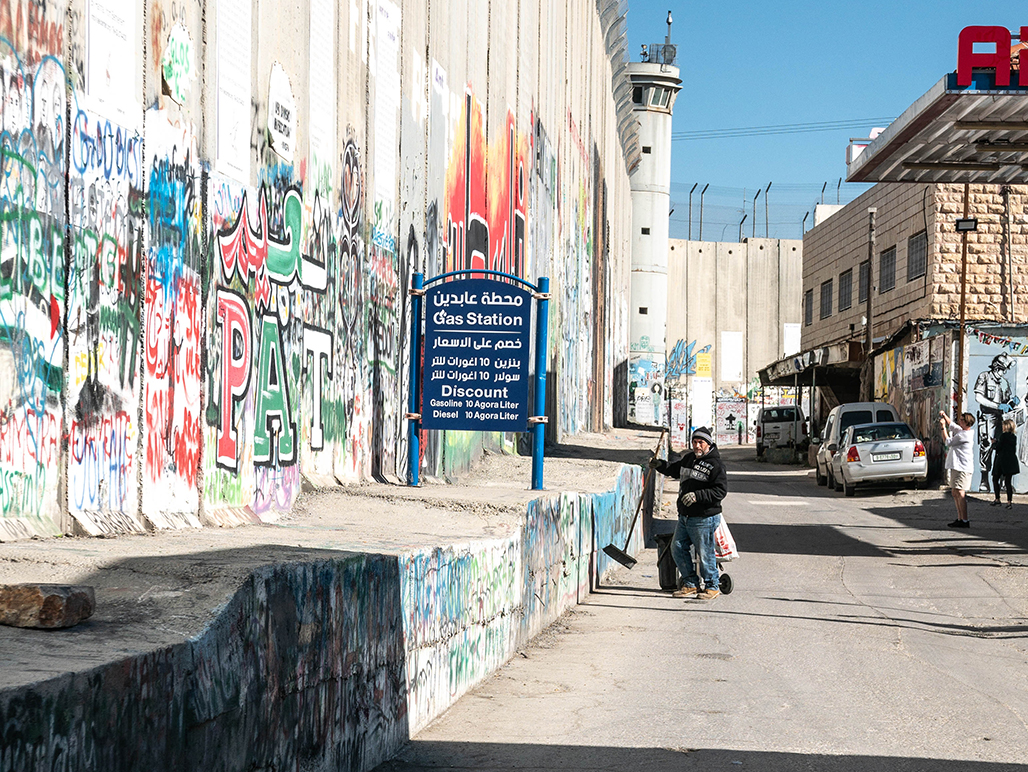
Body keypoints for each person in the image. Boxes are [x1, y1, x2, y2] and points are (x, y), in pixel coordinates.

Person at [649, 426, 727, 600]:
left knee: (705, 553)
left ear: (708, 443)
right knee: (677, 548)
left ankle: (712, 586)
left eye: (701, 442)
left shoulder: (716, 465)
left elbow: (720, 491)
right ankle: (690, 583)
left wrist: (697, 496)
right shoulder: (689, 459)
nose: (697, 446)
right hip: (685, 516)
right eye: (694, 442)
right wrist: (660, 465)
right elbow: (673, 469)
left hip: (704, 517)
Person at [973, 353, 1018, 493]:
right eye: (1002, 370)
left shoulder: (1004, 382)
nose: (1003, 373)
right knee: (986, 447)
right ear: (997, 367)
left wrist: (1012, 403)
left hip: (1001, 419)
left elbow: (1007, 400)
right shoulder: (984, 377)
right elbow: (978, 397)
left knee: (1002, 448)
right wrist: (997, 406)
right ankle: (984, 480)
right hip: (988, 417)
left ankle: (1004, 482)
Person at [939, 410, 975, 528]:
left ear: (965, 422)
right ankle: (960, 518)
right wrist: (944, 415)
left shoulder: (964, 435)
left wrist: (942, 427)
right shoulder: (962, 431)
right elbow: (953, 426)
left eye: (961, 420)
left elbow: (948, 442)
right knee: (955, 492)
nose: (959, 421)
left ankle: (965, 520)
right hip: (956, 466)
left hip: (962, 467)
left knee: (960, 492)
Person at [991, 419, 1019, 509]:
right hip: (1010, 461)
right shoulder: (1013, 437)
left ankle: (997, 499)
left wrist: (994, 443)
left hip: (1001, 460)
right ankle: (1009, 502)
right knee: (1008, 482)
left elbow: (998, 447)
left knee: (995, 479)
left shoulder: (1003, 436)